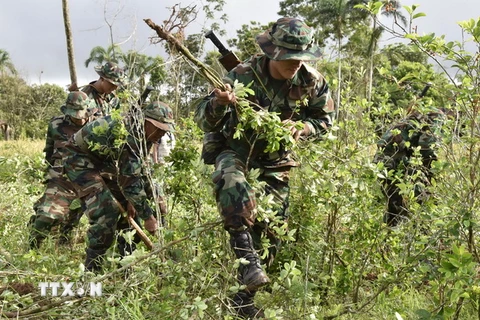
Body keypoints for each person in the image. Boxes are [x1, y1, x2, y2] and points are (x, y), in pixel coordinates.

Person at [195, 17, 334, 318]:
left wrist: (304, 128)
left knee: (272, 234)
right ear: (273, 51)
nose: (295, 64)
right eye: (289, 57)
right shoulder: (242, 75)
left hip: (275, 161)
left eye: (301, 57)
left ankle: (242, 301)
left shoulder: (313, 81)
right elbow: (203, 120)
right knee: (232, 184)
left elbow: (324, 120)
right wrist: (219, 104)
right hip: (235, 150)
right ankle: (245, 255)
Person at [62, 101, 174, 272]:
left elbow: (138, 171)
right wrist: (149, 217)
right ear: (146, 120)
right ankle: (92, 272)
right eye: (158, 128)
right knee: (106, 212)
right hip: (78, 158)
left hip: (104, 161)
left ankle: (126, 267)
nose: (161, 133)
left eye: (164, 130)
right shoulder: (130, 133)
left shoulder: (147, 136)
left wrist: (134, 202)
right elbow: (130, 180)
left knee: (132, 218)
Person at [28, 91, 96, 249]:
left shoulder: (96, 126)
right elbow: (49, 152)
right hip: (61, 179)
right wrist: (51, 177)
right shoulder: (55, 124)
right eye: (75, 115)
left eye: (82, 114)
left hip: (87, 180)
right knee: (46, 216)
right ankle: (32, 247)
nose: (79, 119)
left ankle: (65, 243)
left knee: (73, 217)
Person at [373, 104, 445, 227]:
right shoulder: (437, 116)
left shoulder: (416, 114)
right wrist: (431, 174)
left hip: (381, 160)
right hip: (395, 158)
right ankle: (421, 232)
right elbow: (427, 148)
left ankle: (390, 237)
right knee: (420, 197)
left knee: (394, 204)